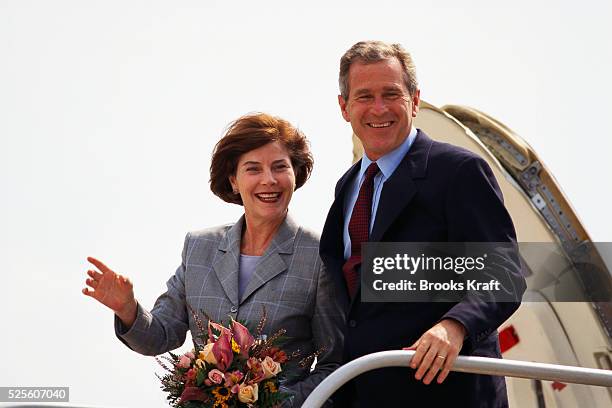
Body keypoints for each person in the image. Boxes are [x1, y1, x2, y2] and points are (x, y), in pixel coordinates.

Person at [83, 112, 344, 406]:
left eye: (280, 167)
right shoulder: (199, 247)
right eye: (253, 169)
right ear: (234, 180)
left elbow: (333, 367)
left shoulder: (320, 255)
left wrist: (277, 403)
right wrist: (128, 309)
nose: (269, 180)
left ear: (295, 174)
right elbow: (161, 335)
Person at [319, 41, 526, 407]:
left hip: (449, 396)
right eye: (364, 96)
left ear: (414, 100)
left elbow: (504, 272)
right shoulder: (346, 188)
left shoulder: (459, 172)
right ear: (344, 107)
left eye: (391, 94)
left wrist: (455, 325)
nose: (379, 108)